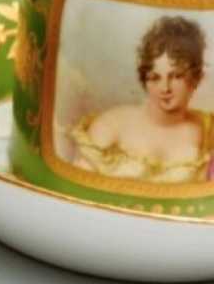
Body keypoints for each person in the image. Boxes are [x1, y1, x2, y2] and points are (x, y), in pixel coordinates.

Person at [68, 16, 214, 183]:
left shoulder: (208, 131)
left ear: (195, 78)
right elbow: (78, 186)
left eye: (176, 76)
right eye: (155, 78)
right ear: (144, 79)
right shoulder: (110, 126)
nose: (165, 88)